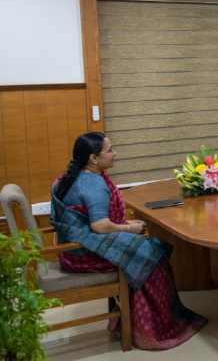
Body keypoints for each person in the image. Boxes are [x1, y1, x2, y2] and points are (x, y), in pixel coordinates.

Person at [50, 132, 206, 349]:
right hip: (86, 254)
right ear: (94, 159)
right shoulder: (93, 185)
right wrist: (130, 228)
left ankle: (132, 318)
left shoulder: (72, 177)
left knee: (148, 249)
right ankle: (153, 328)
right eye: (110, 150)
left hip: (72, 251)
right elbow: (100, 226)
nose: (115, 153)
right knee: (153, 257)